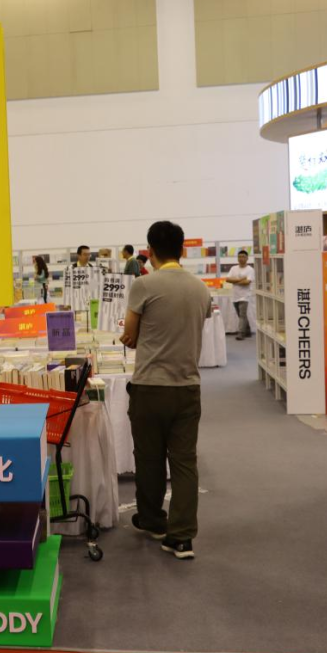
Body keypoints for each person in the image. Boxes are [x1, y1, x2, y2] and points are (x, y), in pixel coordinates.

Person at [119, 221, 211, 561]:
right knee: (184, 462)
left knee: (149, 458)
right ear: (183, 249)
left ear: (150, 250)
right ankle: (182, 536)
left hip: (150, 386)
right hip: (188, 386)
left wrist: (137, 336)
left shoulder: (144, 285)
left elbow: (130, 335)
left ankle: (153, 520)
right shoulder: (201, 288)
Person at [226, 250, 254, 340]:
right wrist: (241, 279)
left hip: (245, 296)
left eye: (243, 257)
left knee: (242, 314)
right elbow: (227, 279)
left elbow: (247, 282)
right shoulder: (233, 268)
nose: (241, 258)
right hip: (235, 295)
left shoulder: (250, 269)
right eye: (239, 257)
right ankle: (248, 330)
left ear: (247, 258)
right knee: (241, 315)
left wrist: (235, 281)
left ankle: (241, 333)